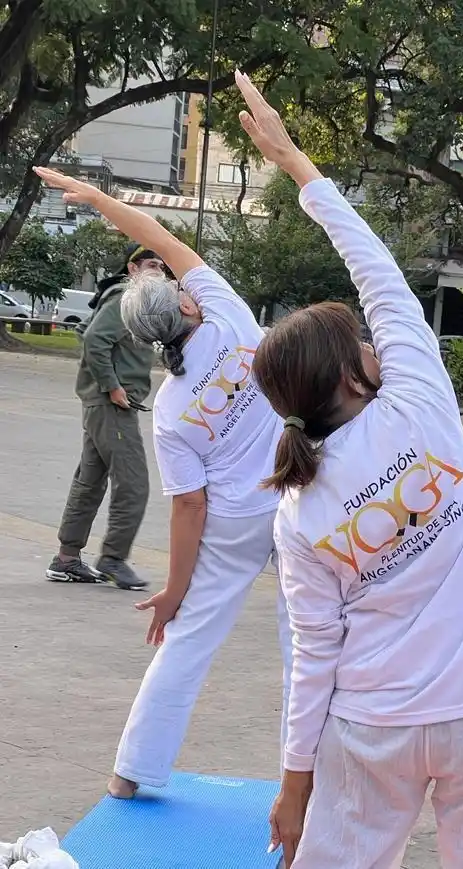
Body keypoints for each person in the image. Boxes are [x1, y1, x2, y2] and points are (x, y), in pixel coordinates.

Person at [233, 72, 463, 869]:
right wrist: (296, 164)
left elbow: (313, 656)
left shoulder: (299, 509)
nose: (378, 343)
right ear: (351, 374)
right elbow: (373, 265)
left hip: (373, 726)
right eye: (364, 342)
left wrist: (295, 784)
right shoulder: (420, 401)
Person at [34, 164, 292, 800]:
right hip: (294, 495)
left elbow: (191, 507)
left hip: (232, 523)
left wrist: (176, 590)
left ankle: (131, 772)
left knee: (186, 642)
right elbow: (162, 237)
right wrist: (101, 199)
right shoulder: (230, 318)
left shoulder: (172, 410)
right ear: (184, 304)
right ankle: (310, 777)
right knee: (308, 642)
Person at [45, 242, 162, 591]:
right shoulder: (125, 299)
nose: (159, 271)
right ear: (133, 268)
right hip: (113, 406)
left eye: (162, 266)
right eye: (152, 265)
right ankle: (113, 559)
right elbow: (95, 339)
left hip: (103, 404)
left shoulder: (134, 301)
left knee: (89, 481)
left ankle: (66, 559)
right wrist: (112, 386)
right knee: (134, 484)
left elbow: (92, 334)